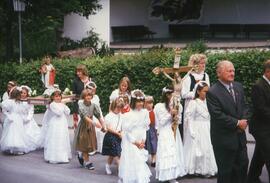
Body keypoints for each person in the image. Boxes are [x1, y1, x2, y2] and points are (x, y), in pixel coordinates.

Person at [206, 60, 249, 183]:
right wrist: (237, 123)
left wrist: (245, 120)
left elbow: (245, 106)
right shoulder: (212, 92)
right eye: (229, 71)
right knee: (226, 174)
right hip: (224, 141)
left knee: (242, 169)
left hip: (240, 139)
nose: (232, 73)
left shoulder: (238, 87)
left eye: (233, 70)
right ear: (219, 73)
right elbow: (217, 115)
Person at [183, 81, 217, 176]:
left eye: (208, 91)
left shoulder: (209, 102)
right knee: (197, 147)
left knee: (207, 147)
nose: (207, 93)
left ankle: (206, 169)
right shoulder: (194, 103)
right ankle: (194, 169)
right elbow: (189, 117)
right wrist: (191, 130)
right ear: (198, 92)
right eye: (204, 91)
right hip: (197, 127)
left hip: (207, 127)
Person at [118, 89, 151, 183]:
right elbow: (127, 132)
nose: (140, 103)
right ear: (133, 102)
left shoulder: (145, 113)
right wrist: (135, 142)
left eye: (141, 101)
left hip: (141, 140)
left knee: (140, 163)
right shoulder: (128, 115)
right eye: (138, 101)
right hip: (131, 142)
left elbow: (145, 127)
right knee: (133, 162)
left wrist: (143, 141)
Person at [154, 86, 186, 183]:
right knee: (167, 152)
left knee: (174, 152)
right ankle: (165, 175)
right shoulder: (159, 106)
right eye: (173, 94)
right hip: (165, 131)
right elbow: (161, 122)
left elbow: (179, 120)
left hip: (174, 131)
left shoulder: (178, 106)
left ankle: (172, 175)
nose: (175, 96)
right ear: (167, 95)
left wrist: (176, 118)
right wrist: (170, 114)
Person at [248, 60, 270, 183]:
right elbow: (261, 109)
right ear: (267, 71)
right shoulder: (258, 85)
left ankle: (251, 179)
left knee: (259, 155)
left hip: (267, 126)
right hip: (261, 128)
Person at [74, 89, 105, 170]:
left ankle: (81, 154)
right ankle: (87, 162)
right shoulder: (81, 105)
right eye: (87, 95)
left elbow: (99, 116)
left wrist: (103, 125)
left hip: (90, 126)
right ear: (83, 96)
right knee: (85, 144)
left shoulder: (94, 105)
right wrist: (94, 123)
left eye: (90, 95)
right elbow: (84, 117)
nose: (88, 97)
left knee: (89, 144)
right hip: (84, 126)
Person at [181, 54, 210, 140]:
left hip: (203, 106)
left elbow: (208, 90)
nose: (203, 65)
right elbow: (183, 94)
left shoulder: (206, 76)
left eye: (204, 63)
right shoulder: (188, 77)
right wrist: (196, 93)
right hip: (191, 106)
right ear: (195, 64)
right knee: (191, 131)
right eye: (201, 63)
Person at [42, 89, 71, 163]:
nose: (58, 98)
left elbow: (68, 112)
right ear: (53, 98)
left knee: (62, 138)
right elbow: (59, 113)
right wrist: (63, 105)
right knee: (56, 138)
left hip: (62, 122)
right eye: (56, 96)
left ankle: (63, 156)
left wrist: (64, 105)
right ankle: (54, 157)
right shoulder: (52, 104)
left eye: (59, 96)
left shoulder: (62, 104)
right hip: (55, 123)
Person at [0, 88, 29, 154]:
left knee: (18, 132)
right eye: (19, 94)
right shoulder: (10, 102)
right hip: (12, 118)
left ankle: (16, 148)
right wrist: (8, 115)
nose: (21, 95)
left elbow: (21, 111)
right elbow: (3, 109)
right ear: (16, 95)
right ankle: (12, 148)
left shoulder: (19, 102)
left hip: (18, 119)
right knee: (12, 132)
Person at [102, 98, 124, 175]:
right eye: (117, 107)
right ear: (113, 106)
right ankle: (121, 171)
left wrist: (121, 133)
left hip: (118, 136)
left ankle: (108, 165)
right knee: (116, 155)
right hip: (111, 137)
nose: (119, 109)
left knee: (113, 154)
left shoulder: (121, 115)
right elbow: (108, 128)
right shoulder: (109, 116)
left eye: (120, 108)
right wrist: (117, 133)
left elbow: (122, 126)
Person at [20, 85, 41, 151]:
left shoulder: (29, 101)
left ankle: (28, 144)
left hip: (27, 118)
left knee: (28, 132)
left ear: (27, 94)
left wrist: (28, 118)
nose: (23, 94)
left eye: (24, 93)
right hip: (20, 118)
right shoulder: (18, 100)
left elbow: (31, 110)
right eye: (21, 93)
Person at [72, 64, 92, 128]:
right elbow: (74, 94)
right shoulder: (75, 81)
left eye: (79, 71)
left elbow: (93, 92)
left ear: (84, 71)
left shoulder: (90, 80)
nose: (77, 73)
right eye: (77, 71)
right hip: (78, 104)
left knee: (88, 124)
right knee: (78, 125)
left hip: (89, 104)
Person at [144, 96, 157, 167]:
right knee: (145, 144)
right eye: (148, 103)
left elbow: (157, 121)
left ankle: (153, 159)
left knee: (153, 144)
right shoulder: (144, 112)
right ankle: (144, 158)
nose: (150, 105)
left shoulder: (154, 111)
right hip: (145, 129)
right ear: (145, 104)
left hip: (152, 129)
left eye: (151, 103)